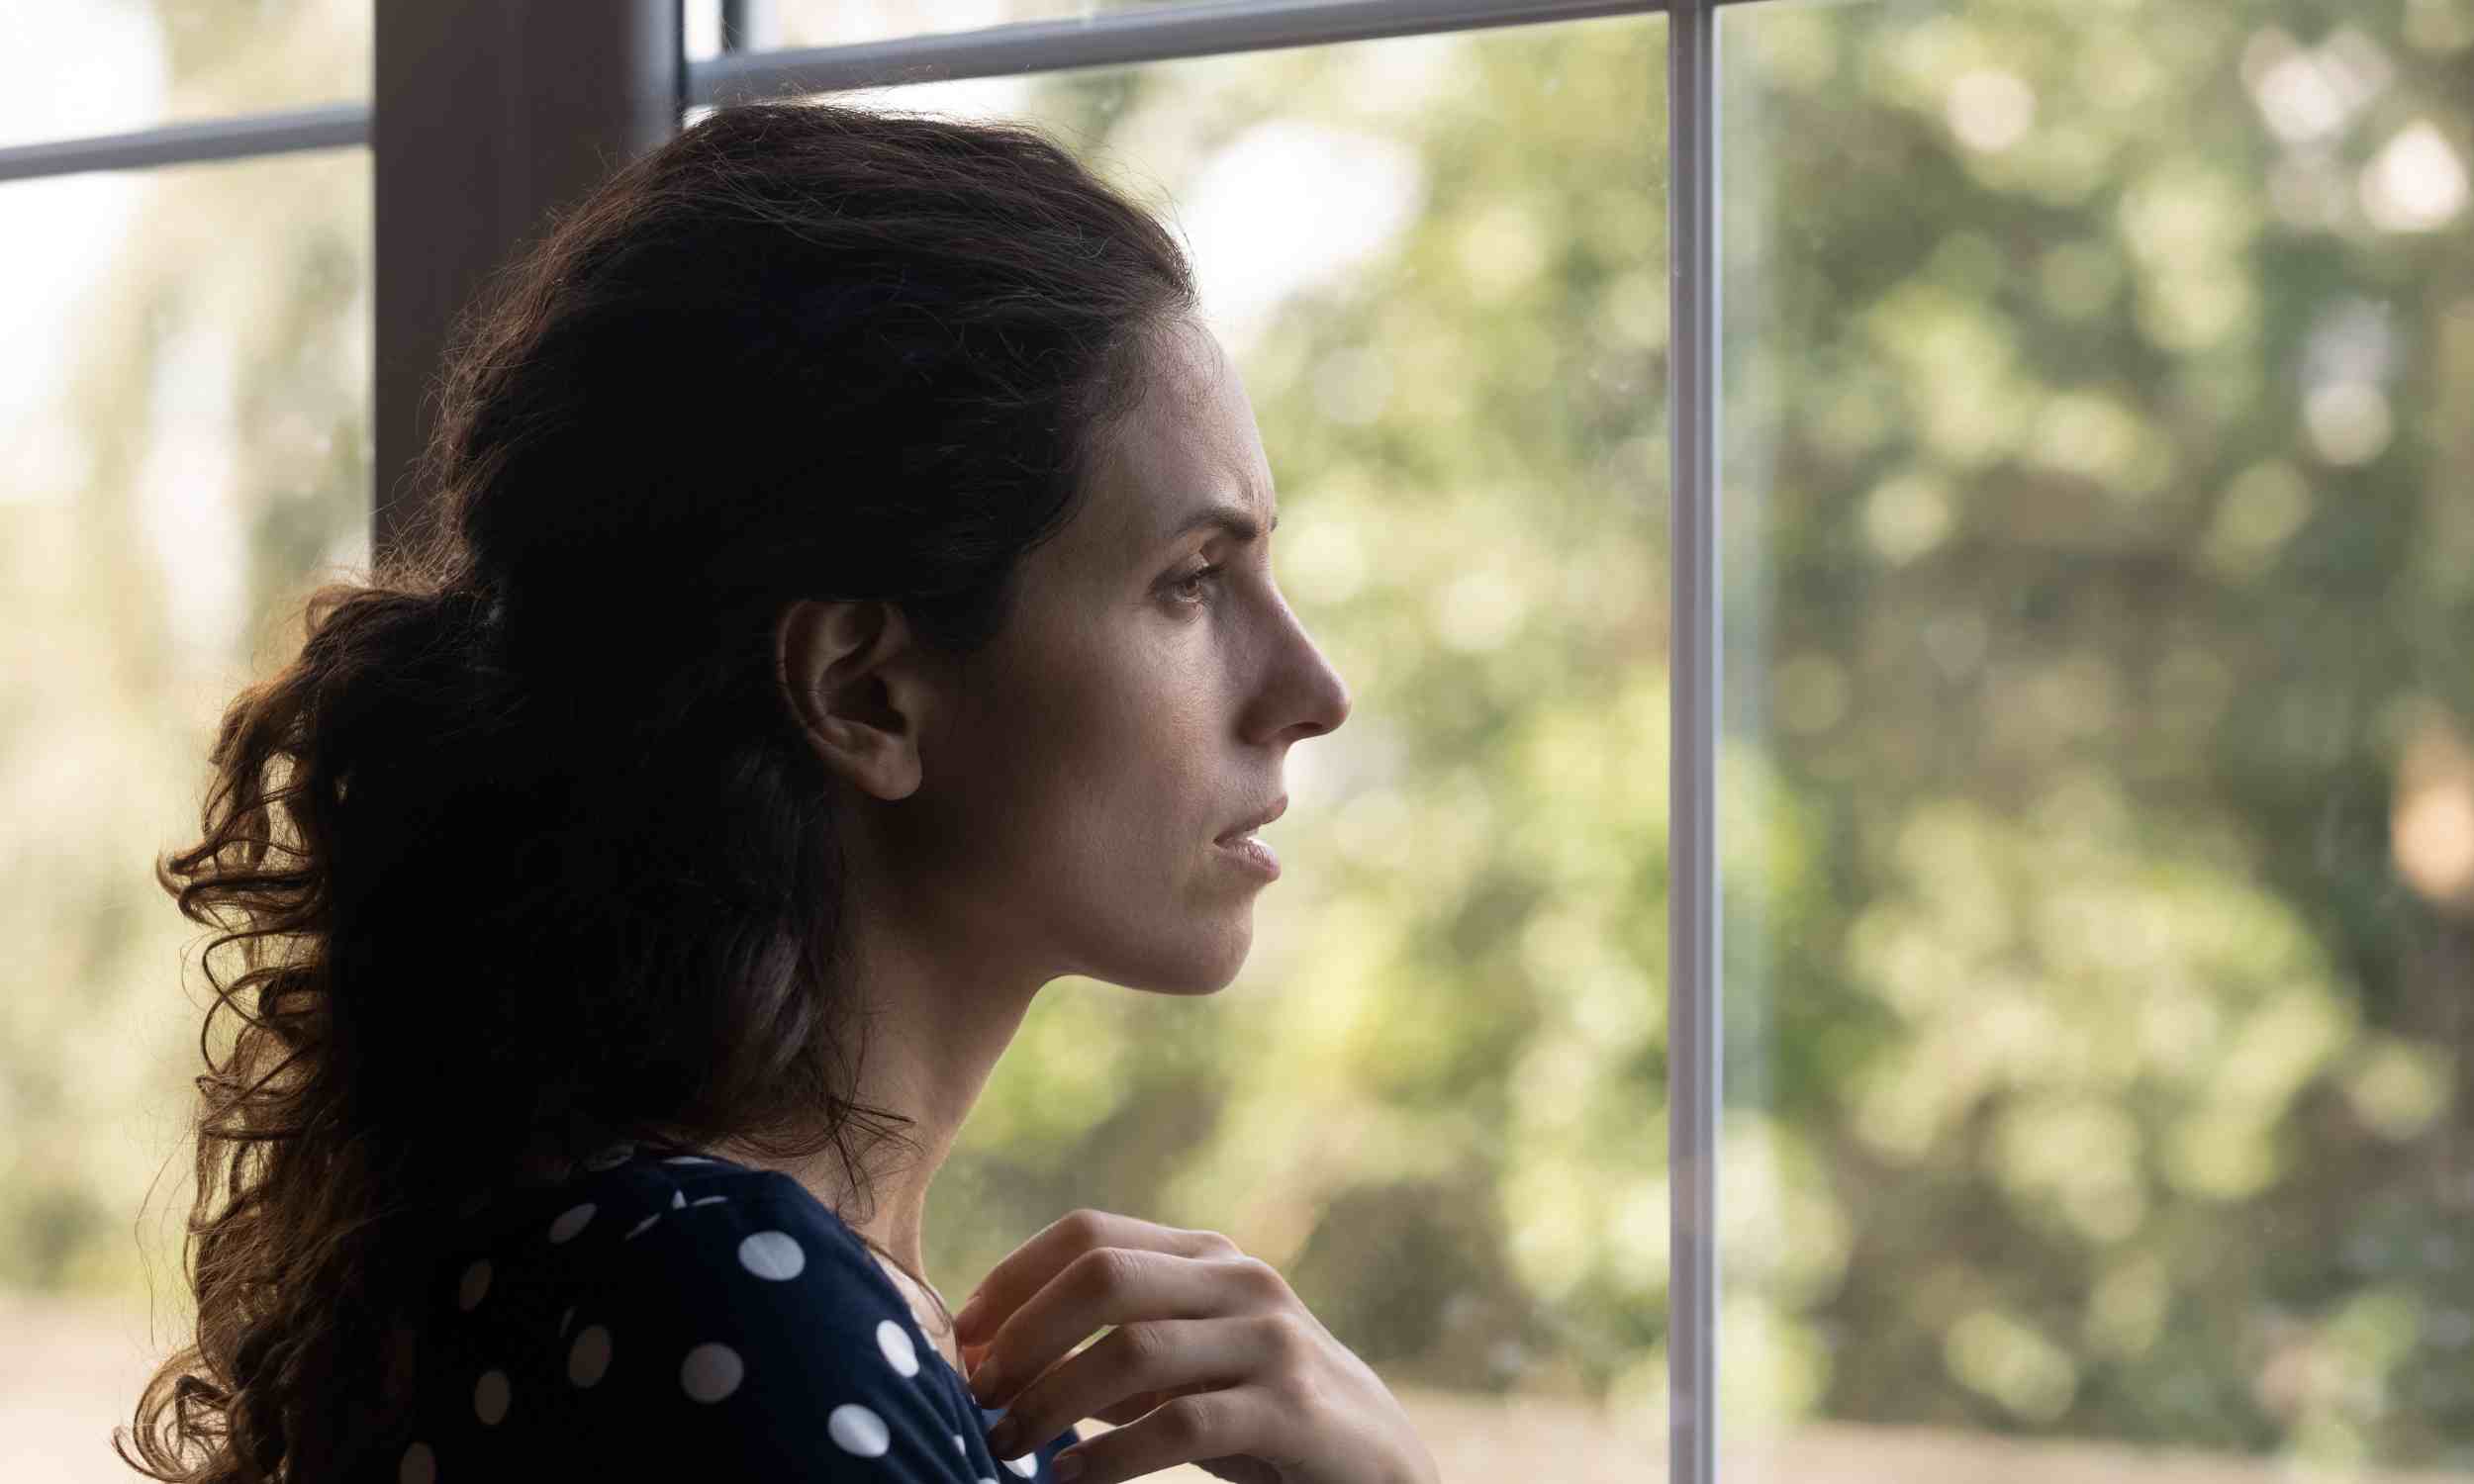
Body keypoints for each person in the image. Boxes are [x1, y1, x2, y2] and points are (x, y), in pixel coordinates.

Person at [116, 98, 1438, 1484]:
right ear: (867, 694)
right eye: (1190, 582)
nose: (1314, 690)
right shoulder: (732, 1319)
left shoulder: (722, 1299)